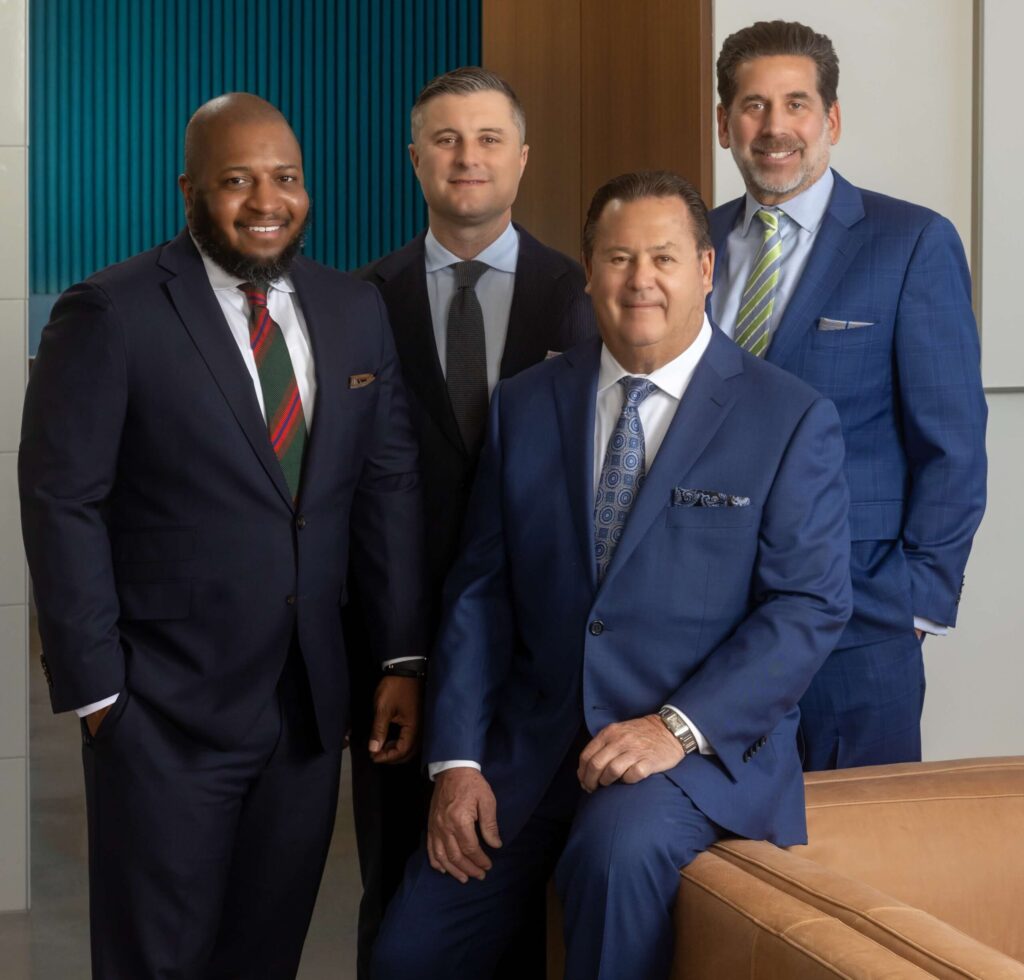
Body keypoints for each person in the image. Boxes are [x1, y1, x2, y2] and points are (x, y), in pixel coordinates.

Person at [371, 170, 852, 980]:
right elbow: (481, 594)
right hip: (532, 751)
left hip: (691, 758)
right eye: (618, 258)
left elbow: (807, 606)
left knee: (612, 858)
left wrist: (674, 727)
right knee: (409, 948)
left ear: (706, 269)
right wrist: (457, 761)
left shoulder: (789, 416)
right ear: (587, 270)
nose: (640, 281)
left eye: (663, 258)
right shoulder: (526, 405)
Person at [19, 93, 426, 979]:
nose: (265, 199)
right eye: (236, 180)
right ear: (191, 191)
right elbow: (61, 500)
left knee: (263, 955)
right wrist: (98, 697)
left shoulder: (354, 310)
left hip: (309, 712)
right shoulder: (111, 312)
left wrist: (398, 659)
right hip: (160, 710)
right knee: (156, 961)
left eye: (284, 177)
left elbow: (384, 492)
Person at [350, 66, 596, 975]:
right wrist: (396, 652)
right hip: (396, 650)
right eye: (446, 139)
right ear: (413, 158)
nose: (468, 157)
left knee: (523, 883)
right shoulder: (359, 304)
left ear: (522, 160)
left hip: (541, 655)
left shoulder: (585, 299)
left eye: (489, 138)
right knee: (397, 878)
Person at [708, 20, 987, 770]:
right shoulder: (692, 247)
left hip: (859, 625)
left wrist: (915, 606)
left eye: (796, 104)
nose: (775, 128)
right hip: (707, 626)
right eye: (754, 105)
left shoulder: (910, 242)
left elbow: (952, 446)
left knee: (856, 861)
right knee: (727, 865)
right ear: (724, 122)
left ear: (830, 119)